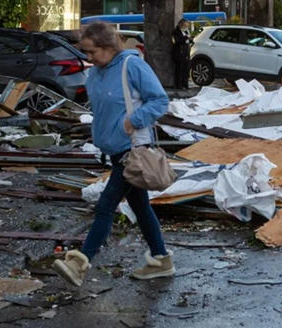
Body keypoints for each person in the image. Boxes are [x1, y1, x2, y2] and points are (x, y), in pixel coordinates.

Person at [53, 22, 174, 287]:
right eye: (84, 52)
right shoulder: (95, 73)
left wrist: (134, 120)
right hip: (113, 150)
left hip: (134, 149)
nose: (88, 58)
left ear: (108, 47)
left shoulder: (132, 66)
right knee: (140, 207)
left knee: (106, 204)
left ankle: (80, 262)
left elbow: (159, 100)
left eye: (91, 51)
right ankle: (161, 259)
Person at [172, 18, 193, 89]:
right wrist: (186, 38)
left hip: (186, 53)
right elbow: (177, 41)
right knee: (179, 70)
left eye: (187, 26)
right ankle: (179, 85)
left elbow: (188, 40)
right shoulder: (176, 32)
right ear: (181, 25)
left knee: (186, 71)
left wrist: (190, 40)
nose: (186, 27)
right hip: (179, 54)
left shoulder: (186, 32)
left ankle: (185, 84)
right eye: (185, 25)